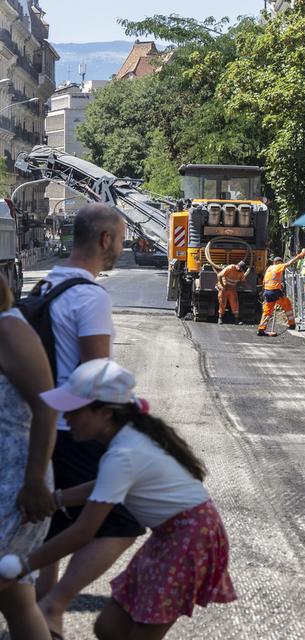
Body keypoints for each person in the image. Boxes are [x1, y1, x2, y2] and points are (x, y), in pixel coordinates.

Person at [0, 358, 237, 640]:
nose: (66, 418)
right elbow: (101, 486)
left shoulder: (122, 456)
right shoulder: (128, 437)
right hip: (173, 535)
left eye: (75, 411)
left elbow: (82, 532)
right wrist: (57, 499)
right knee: (108, 629)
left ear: (107, 413)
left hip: (190, 539)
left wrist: (23, 566)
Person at [35, 203, 145, 640]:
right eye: (120, 239)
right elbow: (95, 375)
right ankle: (54, 603)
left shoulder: (48, 283)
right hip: (79, 429)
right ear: (104, 240)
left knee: (50, 519)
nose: (122, 246)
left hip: (45, 424)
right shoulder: (91, 295)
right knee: (123, 518)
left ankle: (47, 619)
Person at [0, 274, 57, 640]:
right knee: (18, 600)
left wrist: (35, 481)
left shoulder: (8, 329)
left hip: (14, 486)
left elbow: (47, 406)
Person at [257, 250, 305, 336]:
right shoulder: (278, 266)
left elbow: (264, 282)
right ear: (277, 262)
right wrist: (299, 256)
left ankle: (261, 329)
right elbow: (289, 263)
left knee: (267, 311)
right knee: (287, 305)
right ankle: (292, 324)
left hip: (267, 291)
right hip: (275, 291)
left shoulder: (269, 268)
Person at [216, 260, 247, 325]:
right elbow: (219, 276)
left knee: (235, 302)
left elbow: (243, 280)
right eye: (241, 269)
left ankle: (236, 320)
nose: (241, 271)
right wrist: (223, 286)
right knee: (222, 302)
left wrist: (245, 286)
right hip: (224, 288)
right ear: (238, 266)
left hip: (232, 288)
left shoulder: (241, 272)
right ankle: (220, 318)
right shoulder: (230, 268)